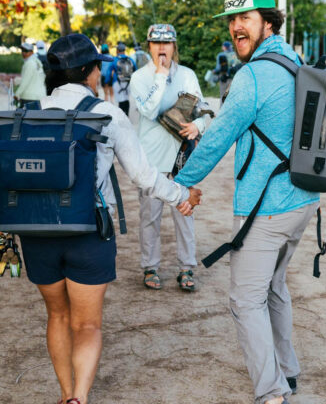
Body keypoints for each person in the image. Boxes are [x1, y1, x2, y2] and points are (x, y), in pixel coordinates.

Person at [20, 33, 201, 404]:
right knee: (86, 324)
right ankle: (79, 400)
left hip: (36, 232)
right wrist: (183, 196)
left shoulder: (31, 111)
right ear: (88, 72)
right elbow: (145, 177)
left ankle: (65, 392)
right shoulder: (106, 114)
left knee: (57, 316)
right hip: (88, 230)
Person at [174, 0, 318, 404]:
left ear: (268, 22)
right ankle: (287, 371)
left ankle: (272, 393)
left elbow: (218, 136)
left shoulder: (253, 73)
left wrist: (182, 182)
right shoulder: (295, 61)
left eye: (246, 18)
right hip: (303, 200)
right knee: (273, 287)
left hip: (267, 207)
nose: (237, 27)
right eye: (233, 19)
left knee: (244, 300)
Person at [129, 24, 210, 292]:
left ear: (175, 46)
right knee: (150, 217)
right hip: (151, 161)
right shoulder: (140, 78)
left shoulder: (187, 75)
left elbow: (205, 110)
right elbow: (150, 111)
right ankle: (150, 267)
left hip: (182, 158)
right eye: (156, 43)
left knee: (185, 214)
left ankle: (187, 267)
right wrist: (161, 77)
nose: (162, 48)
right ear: (148, 46)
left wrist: (198, 125)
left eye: (167, 43)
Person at [14, 42, 46, 107]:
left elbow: (26, 81)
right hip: (40, 96)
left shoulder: (30, 63)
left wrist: (17, 94)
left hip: (29, 98)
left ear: (32, 52)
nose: (23, 53)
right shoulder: (37, 62)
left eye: (26, 51)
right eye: (22, 51)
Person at [113, 42, 136, 115]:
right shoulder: (130, 59)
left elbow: (108, 72)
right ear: (124, 50)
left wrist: (108, 81)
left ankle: (122, 116)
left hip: (118, 82)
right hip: (128, 82)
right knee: (126, 99)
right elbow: (135, 69)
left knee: (121, 100)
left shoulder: (114, 60)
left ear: (117, 50)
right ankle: (127, 115)